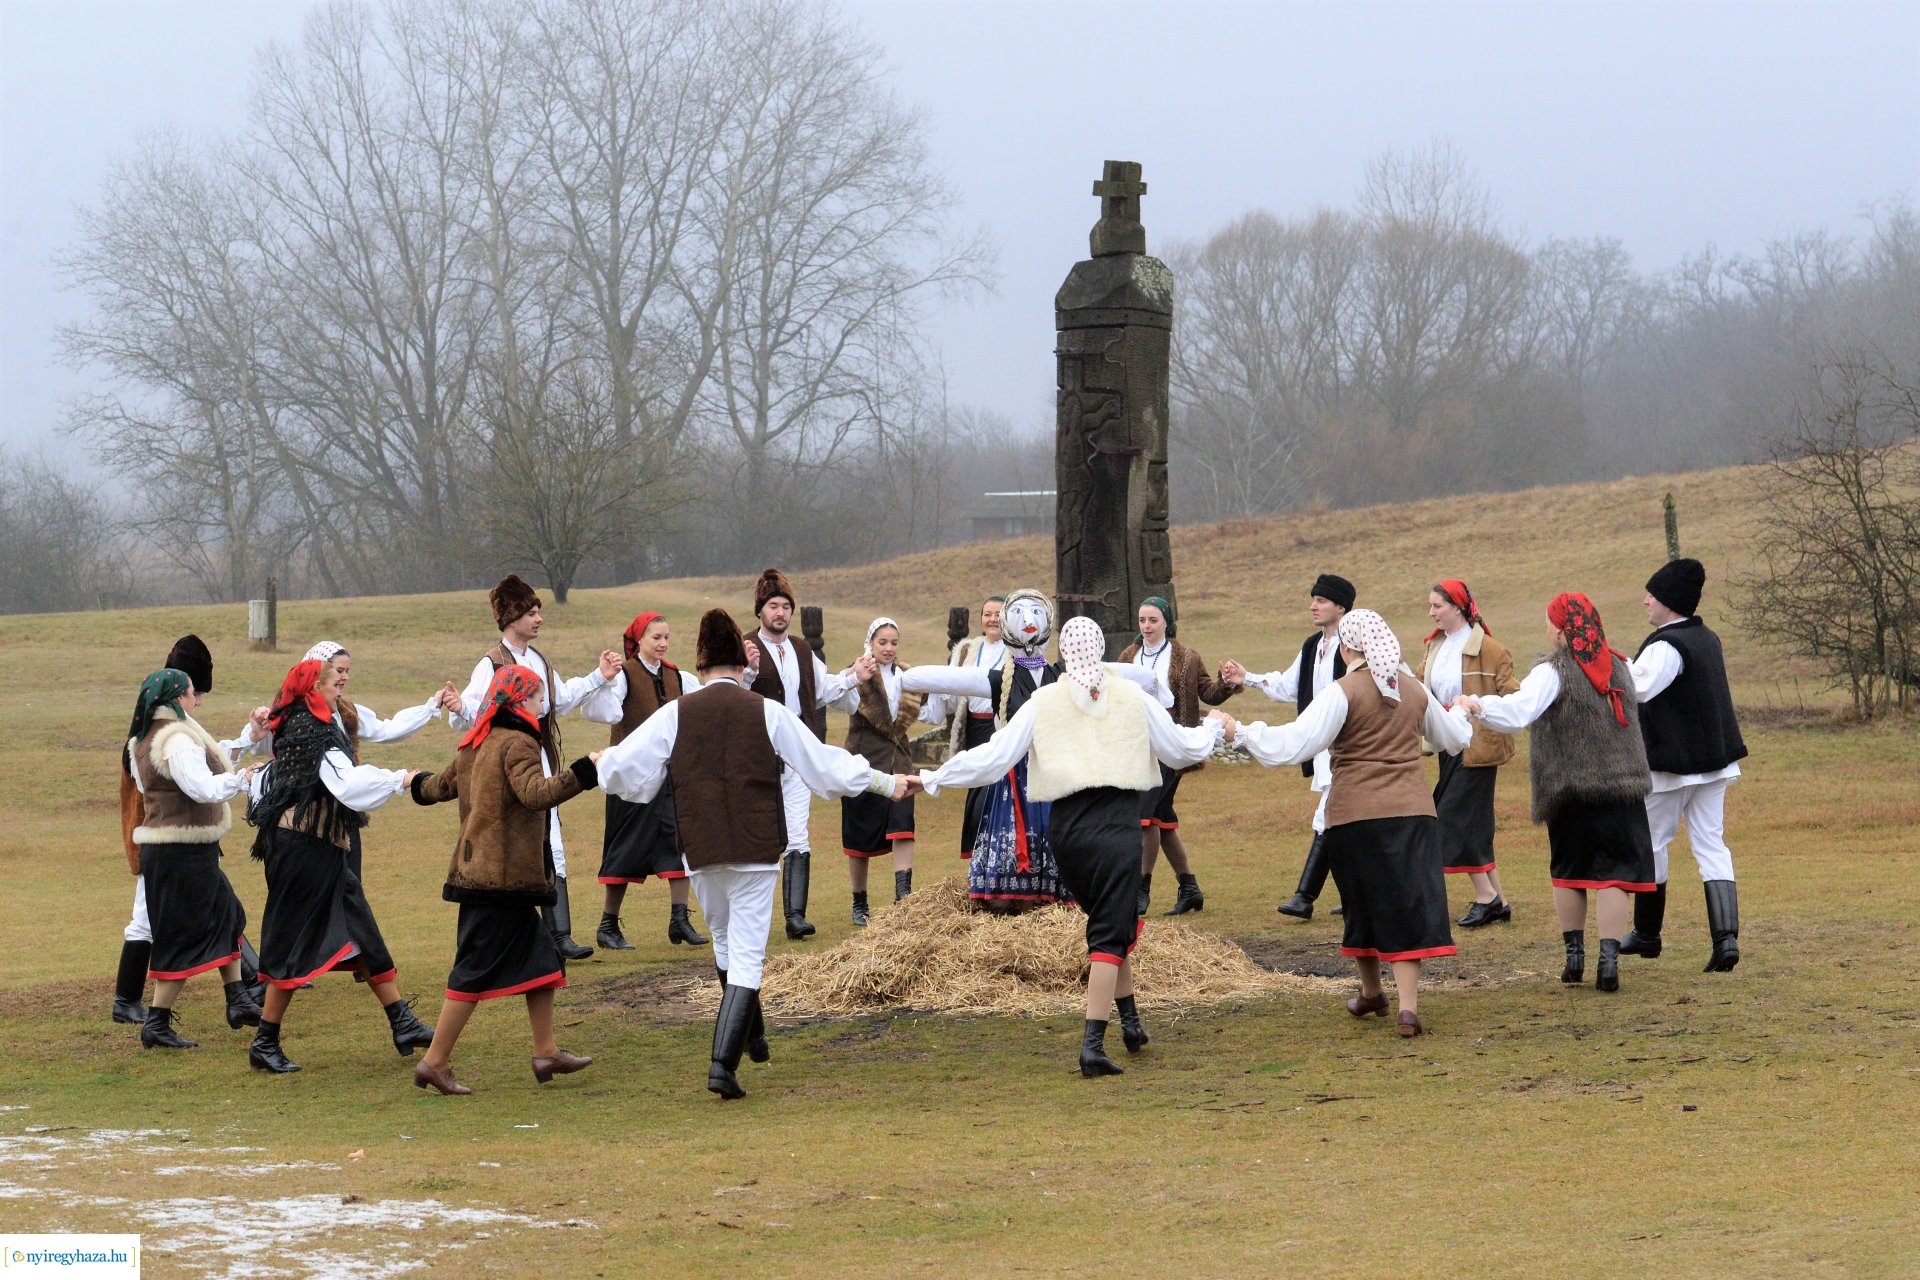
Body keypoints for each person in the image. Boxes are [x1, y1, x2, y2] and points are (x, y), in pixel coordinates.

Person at [596, 610, 910, 1100]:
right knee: (745, 953)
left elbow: (623, 771)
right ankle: (723, 1064)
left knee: (725, 938)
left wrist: (601, 764)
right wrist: (885, 782)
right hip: (755, 846)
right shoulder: (766, 710)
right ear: (742, 664)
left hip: (699, 848)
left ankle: (754, 1038)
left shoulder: (675, 712)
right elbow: (824, 766)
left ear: (699, 664)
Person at [916, 617, 1227, 1075]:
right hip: (1117, 826)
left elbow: (995, 756)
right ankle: (1092, 1047)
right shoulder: (1131, 696)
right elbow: (1180, 749)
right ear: (1101, 647)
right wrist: (1215, 729)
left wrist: (934, 777)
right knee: (1108, 932)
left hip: (1065, 832)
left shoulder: (1044, 701)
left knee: (1110, 921)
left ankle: (1132, 1025)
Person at [1233, 610, 1474, 1035]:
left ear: (1348, 648)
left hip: (1355, 814)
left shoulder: (1341, 692)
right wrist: (1461, 713)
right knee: (1406, 903)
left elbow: (1296, 742)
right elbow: (1451, 740)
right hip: (1413, 812)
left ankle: (1372, 991)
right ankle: (1406, 1008)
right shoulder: (1414, 690)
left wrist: (1242, 732)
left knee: (1361, 903)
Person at [902, 589, 1168, 912]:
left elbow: (1134, 676)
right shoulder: (1002, 679)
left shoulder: (1062, 676)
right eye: (1020, 615)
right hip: (1013, 777)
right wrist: (902, 679)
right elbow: (950, 679)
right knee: (1009, 880)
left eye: (1035, 614)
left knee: (1060, 852)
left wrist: (1156, 690)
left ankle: (1060, 902)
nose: (1028, 622)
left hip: (1055, 774)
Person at [409, 665, 602, 1096]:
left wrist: (412, 784)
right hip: (497, 881)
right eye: (536, 698)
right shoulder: (518, 742)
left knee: (543, 961)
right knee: (473, 972)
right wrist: (583, 773)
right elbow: (536, 794)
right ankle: (434, 1063)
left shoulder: (476, 741)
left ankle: (546, 1051)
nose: (541, 704)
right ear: (518, 702)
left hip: (487, 876)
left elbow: (438, 787)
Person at [240, 659, 436, 1074]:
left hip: (323, 846)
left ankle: (401, 1020)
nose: (339, 688)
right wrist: (401, 780)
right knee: (289, 945)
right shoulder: (313, 729)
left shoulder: (307, 719)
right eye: (333, 682)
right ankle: (264, 1041)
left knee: (363, 931)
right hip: (300, 850)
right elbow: (347, 784)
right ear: (314, 688)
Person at [1457, 593, 1658, 993]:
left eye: (1550, 622)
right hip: (1622, 788)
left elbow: (1519, 712)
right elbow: (1648, 691)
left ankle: (1574, 961)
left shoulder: (1553, 672)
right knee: (1614, 876)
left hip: (1569, 790)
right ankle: (1609, 963)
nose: (1547, 629)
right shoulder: (1621, 665)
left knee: (1570, 872)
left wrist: (1477, 706)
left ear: (1563, 628)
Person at [449, 574, 620, 962]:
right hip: (502, 764)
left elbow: (557, 700)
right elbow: (468, 717)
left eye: (539, 610)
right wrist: (461, 709)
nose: (538, 617)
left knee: (551, 841)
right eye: (530, 611)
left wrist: (599, 677)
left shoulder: (538, 660)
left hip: (537, 755)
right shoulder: (490, 663)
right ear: (511, 618)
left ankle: (559, 936)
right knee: (514, 844)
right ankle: (519, 939)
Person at [112, 635, 268, 1025]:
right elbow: (199, 779)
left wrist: (248, 738)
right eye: (193, 693)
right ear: (179, 695)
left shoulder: (158, 730)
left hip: (176, 842)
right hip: (172, 843)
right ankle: (141, 1008)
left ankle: (241, 992)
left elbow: (210, 757)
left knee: (222, 912)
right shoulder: (172, 735)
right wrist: (242, 781)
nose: (197, 700)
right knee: (155, 922)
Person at [1622, 559, 1750, 972]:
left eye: (1652, 595)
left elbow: (1637, 688)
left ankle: (1647, 933)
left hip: (1672, 768)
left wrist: (1606, 661)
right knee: (1712, 845)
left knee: (1654, 843)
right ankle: (1725, 939)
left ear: (1669, 603)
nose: (1645, 601)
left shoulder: (1665, 646)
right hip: (1713, 764)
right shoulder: (1706, 637)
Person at [1220, 573, 1355, 920]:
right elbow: (1290, 686)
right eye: (1313, 599)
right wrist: (1245, 678)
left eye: (1321, 600)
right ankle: (1358, 895)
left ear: (1341, 607)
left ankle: (1304, 897)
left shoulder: (1353, 645)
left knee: (1328, 817)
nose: (1313, 605)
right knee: (1343, 820)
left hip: (1351, 744)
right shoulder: (1313, 645)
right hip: (1321, 745)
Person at [743, 568, 864, 940]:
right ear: (760, 610)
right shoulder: (744, 644)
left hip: (796, 753)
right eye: (773, 606)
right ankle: (751, 917)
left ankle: (795, 916)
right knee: (758, 834)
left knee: (797, 833)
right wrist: (747, 672)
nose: (780, 613)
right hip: (756, 754)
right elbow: (727, 690)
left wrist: (854, 676)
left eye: (785, 607)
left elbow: (821, 689)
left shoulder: (801, 649)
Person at [579, 612, 710, 951]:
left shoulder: (677, 676)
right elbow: (602, 711)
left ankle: (679, 918)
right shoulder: (625, 676)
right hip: (630, 779)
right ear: (639, 640)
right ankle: (608, 925)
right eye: (656, 637)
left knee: (678, 842)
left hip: (669, 776)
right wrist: (607, 679)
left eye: (666, 637)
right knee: (625, 847)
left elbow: (709, 697)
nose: (663, 643)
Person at [1117, 596, 1239, 915]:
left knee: (1145, 818)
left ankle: (1140, 891)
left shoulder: (1185, 657)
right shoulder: (1128, 657)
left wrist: (1226, 684)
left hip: (1172, 744)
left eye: (1153, 620)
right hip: (1138, 745)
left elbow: (1208, 693)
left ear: (1166, 623)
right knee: (1162, 819)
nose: (1146, 626)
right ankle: (1190, 889)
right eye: (1142, 620)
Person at [829, 618, 943, 923]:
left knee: (903, 827)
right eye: (883, 642)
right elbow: (838, 699)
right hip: (862, 764)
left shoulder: (909, 677)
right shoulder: (857, 675)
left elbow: (931, 711)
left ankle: (903, 898)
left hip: (900, 763)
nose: (889, 648)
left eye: (894, 643)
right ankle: (859, 903)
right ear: (870, 643)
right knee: (859, 835)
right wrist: (853, 674)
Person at [1421, 580, 1520, 926]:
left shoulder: (1492, 649)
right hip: (1448, 742)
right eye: (1431, 606)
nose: (1431, 612)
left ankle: (1486, 897)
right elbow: (1422, 687)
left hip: (1479, 746)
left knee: (1451, 818)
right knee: (1474, 823)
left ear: (1458, 607)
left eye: (1437, 606)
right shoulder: (1435, 647)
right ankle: (1499, 900)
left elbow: (1514, 698)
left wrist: (1480, 708)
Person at [945, 596, 1007, 858]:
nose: (992, 619)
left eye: (998, 614)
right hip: (973, 728)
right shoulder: (968, 650)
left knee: (994, 790)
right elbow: (951, 688)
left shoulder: (1016, 650)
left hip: (999, 729)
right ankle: (976, 856)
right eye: (987, 614)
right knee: (976, 788)